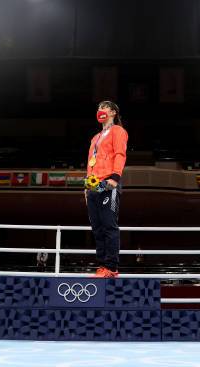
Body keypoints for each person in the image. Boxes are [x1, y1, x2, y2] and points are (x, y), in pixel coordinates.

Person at [85, 101, 128, 278]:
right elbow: (90, 163)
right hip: (93, 186)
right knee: (97, 228)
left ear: (112, 112)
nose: (99, 110)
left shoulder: (118, 131)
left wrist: (115, 177)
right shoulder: (95, 138)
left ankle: (111, 267)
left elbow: (120, 154)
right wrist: (87, 187)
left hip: (109, 182)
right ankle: (102, 265)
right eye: (97, 108)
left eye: (103, 107)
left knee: (109, 225)